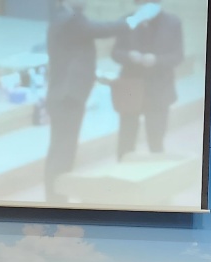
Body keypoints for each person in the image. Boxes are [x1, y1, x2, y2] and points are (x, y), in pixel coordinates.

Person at [43, 0, 160, 203]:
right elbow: (103, 29)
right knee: (62, 152)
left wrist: (93, 75)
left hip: (66, 95)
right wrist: (136, 18)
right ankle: (55, 202)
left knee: (62, 150)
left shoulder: (67, 17)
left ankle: (56, 200)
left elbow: (73, 54)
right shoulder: (70, 19)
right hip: (67, 97)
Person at [109, 0, 182, 159]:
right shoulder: (127, 20)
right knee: (126, 137)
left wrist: (157, 60)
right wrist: (129, 56)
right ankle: (123, 167)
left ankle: (156, 169)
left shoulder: (172, 22)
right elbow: (115, 52)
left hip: (159, 87)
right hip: (131, 86)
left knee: (156, 139)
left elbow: (178, 56)